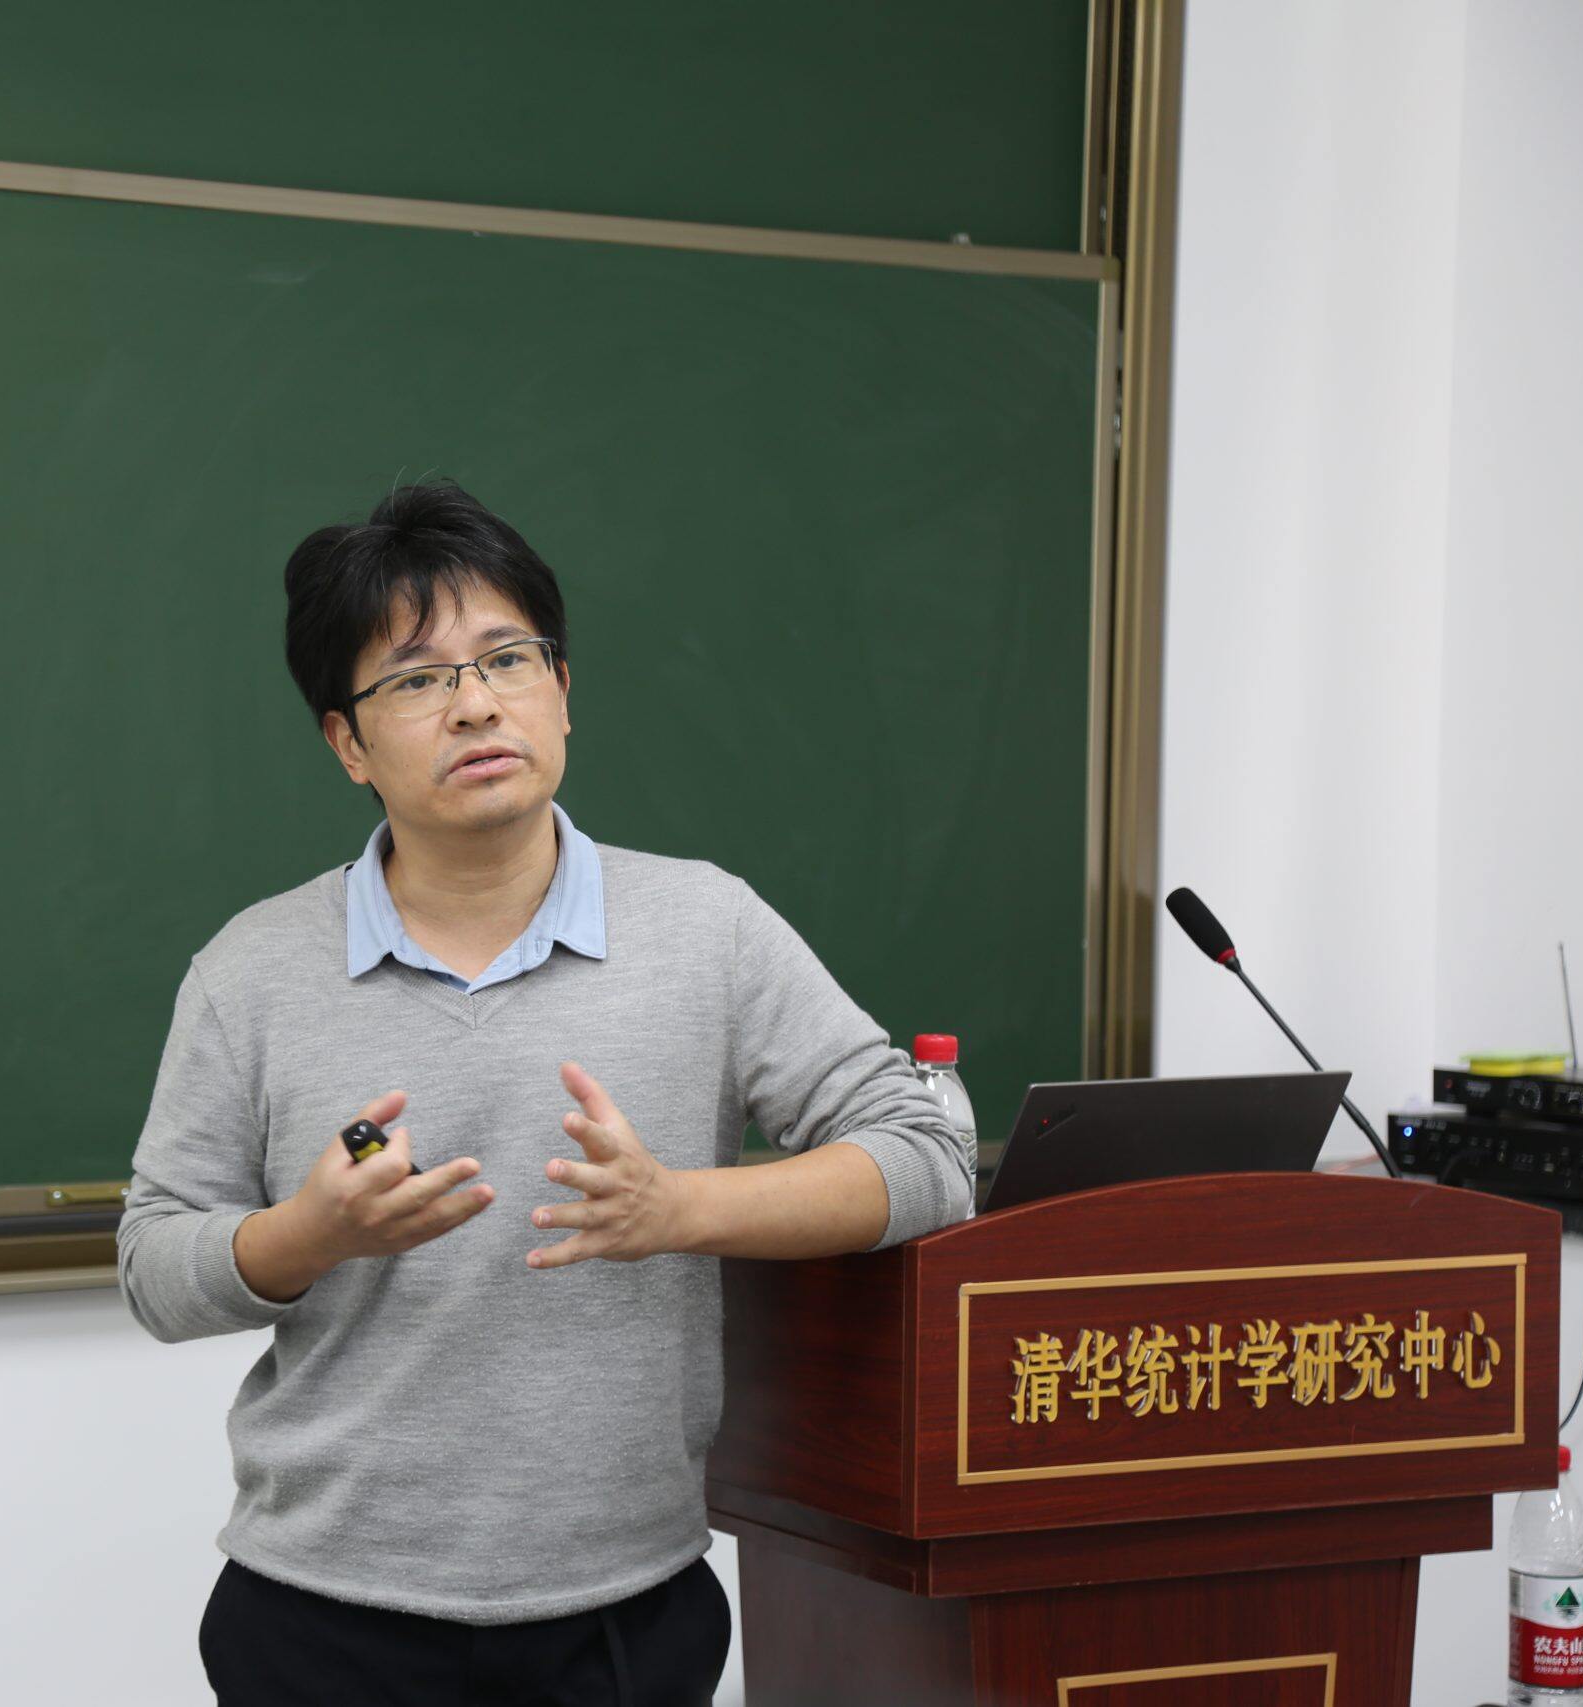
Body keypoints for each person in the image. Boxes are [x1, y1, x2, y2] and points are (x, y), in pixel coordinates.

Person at [117, 480, 975, 1705]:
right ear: (347, 743)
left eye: (506, 658)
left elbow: (927, 1153)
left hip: (622, 1615)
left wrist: (680, 1210)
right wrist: (305, 1236)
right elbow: (154, 1266)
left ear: (562, 690)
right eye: (416, 679)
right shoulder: (250, 971)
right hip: (323, 1614)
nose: (475, 703)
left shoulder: (707, 928)